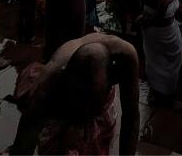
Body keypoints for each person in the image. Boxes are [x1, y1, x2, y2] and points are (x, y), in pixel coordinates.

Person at [9, 33, 140, 156]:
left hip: (87, 90)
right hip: (65, 97)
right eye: (82, 102)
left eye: (92, 103)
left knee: (96, 138)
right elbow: (27, 131)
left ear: (111, 80)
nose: (87, 110)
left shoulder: (126, 58)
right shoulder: (49, 80)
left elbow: (131, 116)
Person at [133, 0, 182, 100]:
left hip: (148, 20)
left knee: (154, 59)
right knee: (173, 58)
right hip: (162, 27)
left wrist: (143, 16)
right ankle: (168, 95)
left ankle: (156, 89)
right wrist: (149, 20)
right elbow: (162, 11)